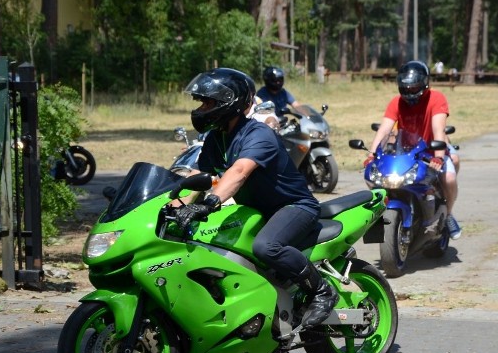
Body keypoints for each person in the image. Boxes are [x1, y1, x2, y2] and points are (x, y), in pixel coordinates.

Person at [177, 67, 337, 328]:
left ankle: (321, 291)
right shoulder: (217, 139)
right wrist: (169, 205)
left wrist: (209, 203)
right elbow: (197, 177)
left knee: (265, 247)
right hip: (257, 210)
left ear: (229, 103)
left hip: (293, 206)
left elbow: (239, 171)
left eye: (208, 102)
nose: (201, 109)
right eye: (201, 103)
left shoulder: (258, 134)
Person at [368, 60, 462, 239]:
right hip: (406, 150)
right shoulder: (396, 102)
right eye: (406, 88)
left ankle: (448, 215)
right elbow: (385, 129)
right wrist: (371, 154)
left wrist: (439, 157)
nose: (410, 92)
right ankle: (381, 217)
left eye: (414, 88)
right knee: (374, 176)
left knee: (448, 178)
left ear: (425, 84)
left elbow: (438, 130)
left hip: (433, 147)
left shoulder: (436, 98)